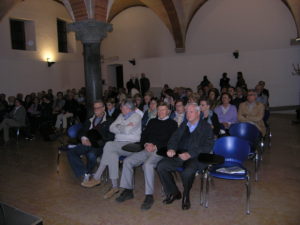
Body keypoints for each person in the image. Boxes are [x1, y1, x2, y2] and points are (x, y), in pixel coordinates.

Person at [116, 102, 178, 210]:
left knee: (148, 165)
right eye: (159, 110)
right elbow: (144, 135)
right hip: (146, 149)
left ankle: (149, 196)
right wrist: (145, 144)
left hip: (159, 151)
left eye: (163, 110)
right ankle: (128, 190)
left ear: (168, 111)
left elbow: (171, 141)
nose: (160, 112)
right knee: (127, 161)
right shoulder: (152, 121)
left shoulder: (172, 124)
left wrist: (155, 146)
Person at [157, 103, 214, 210]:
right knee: (161, 166)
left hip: (196, 157)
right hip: (180, 154)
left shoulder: (206, 127)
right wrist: (171, 148)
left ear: (198, 113)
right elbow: (174, 138)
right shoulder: (184, 124)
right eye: (187, 112)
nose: (188, 114)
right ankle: (174, 192)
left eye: (191, 112)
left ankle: (186, 195)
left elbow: (208, 146)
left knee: (187, 172)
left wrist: (190, 154)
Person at [81, 100, 142, 200]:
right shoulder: (121, 116)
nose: (120, 109)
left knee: (109, 145)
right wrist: (123, 127)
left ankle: (97, 177)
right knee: (111, 155)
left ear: (128, 108)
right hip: (117, 144)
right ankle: (114, 187)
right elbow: (111, 128)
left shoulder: (136, 116)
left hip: (131, 145)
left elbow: (127, 130)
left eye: (122, 107)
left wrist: (119, 127)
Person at [63, 100, 114, 183]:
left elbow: (111, 137)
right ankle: (85, 173)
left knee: (91, 155)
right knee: (71, 152)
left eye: (98, 108)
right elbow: (81, 131)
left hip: (99, 145)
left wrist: (94, 141)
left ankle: (88, 172)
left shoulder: (110, 121)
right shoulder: (90, 119)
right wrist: (83, 138)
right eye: (95, 108)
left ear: (103, 108)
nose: (96, 110)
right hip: (86, 143)